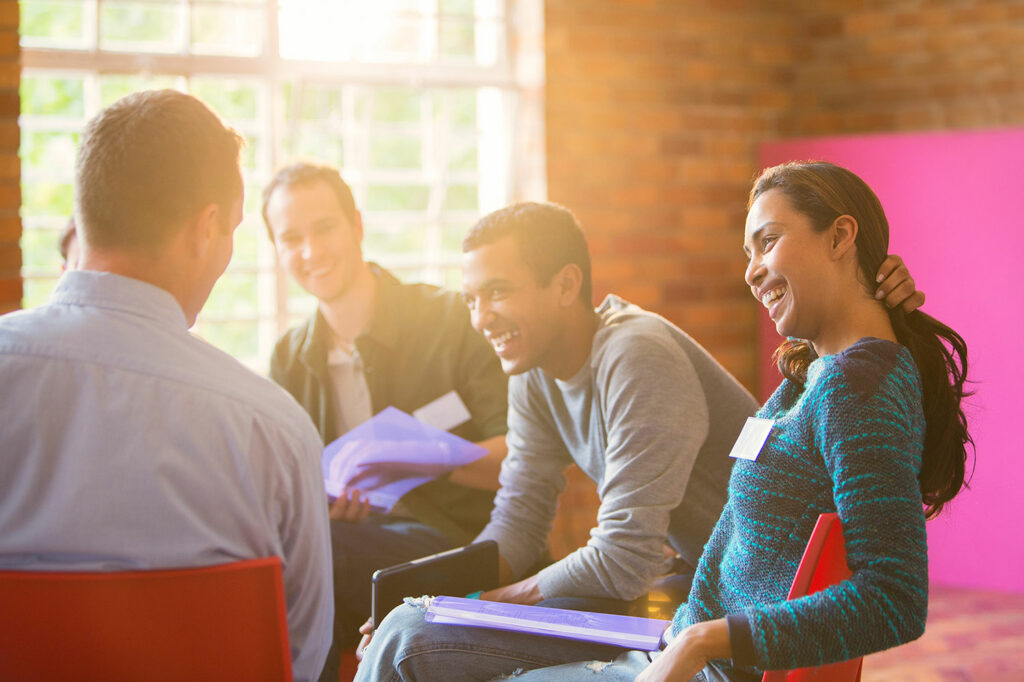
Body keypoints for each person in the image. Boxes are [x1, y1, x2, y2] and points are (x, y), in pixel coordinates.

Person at [356, 174, 943, 681]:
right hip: (689, 629)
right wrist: (450, 597)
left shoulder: (852, 389)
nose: (751, 272)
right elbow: (520, 524)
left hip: (704, 646)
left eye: (768, 241)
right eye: (748, 251)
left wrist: (698, 639)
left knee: (412, 644)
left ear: (840, 238)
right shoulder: (806, 381)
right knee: (409, 629)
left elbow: (894, 598)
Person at [0, 90, 333, 682]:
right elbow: (300, 657)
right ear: (206, 229)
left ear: (84, 216)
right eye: (231, 230)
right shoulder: (273, 430)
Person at [261, 162, 509, 671]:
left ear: (356, 226)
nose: (311, 252)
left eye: (324, 228)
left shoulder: (450, 320)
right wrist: (321, 506)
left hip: (456, 542)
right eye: (291, 238)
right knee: (286, 548)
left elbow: (525, 461)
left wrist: (422, 458)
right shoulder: (289, 357)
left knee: (308, 556)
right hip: (351, 544)